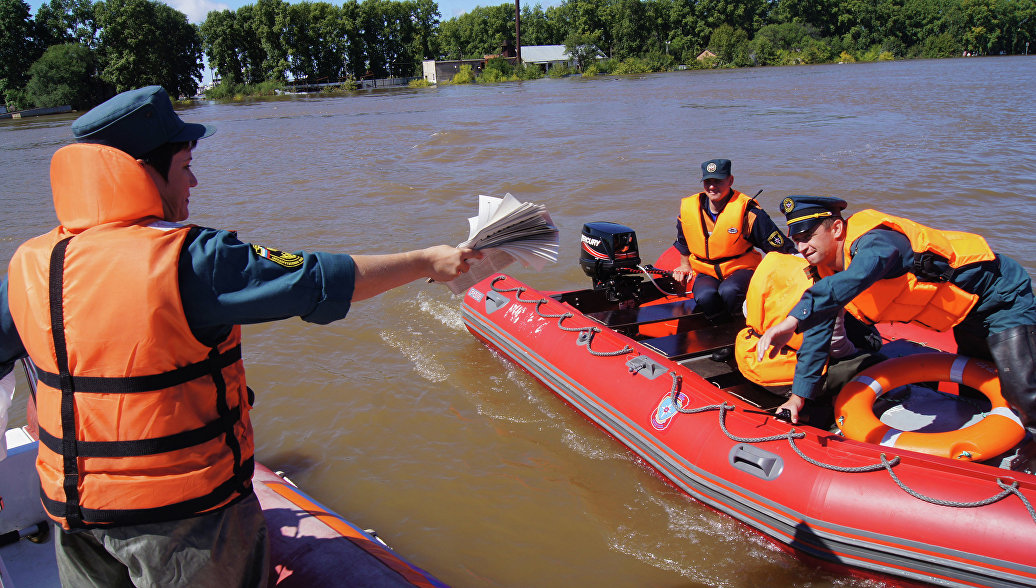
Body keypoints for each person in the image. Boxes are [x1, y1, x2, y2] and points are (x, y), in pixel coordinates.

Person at [0, 85, 482, 587]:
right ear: (143, 172)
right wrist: (428, 261)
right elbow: (322, 280)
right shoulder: (190, 259)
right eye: (185, 165)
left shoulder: (31, 265)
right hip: (184, 523)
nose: (194, 180)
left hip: (73, 521)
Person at [755, 195, 1036, 472]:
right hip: (964, 313)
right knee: (976, 395)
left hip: (1000, 299)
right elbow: (818, 334)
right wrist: (798, 397)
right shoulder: (826, 271)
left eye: (807, 235)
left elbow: (858, 275)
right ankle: (989, 453)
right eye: (796, 240)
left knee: (1024, 391)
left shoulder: (877, 242)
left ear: (837, 229)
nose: (802, 246)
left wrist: (794, 318)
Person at [734, 252, 885, 427]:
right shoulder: (827, 284)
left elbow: (747, 310)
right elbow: (835, 346)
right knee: (875, 360)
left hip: (751, 357)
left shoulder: (774, 262)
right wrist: (854, 355)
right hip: (786, 374)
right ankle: (826, 413)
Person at [671, 159, 795, 331]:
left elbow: (779, 247)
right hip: (706, 270)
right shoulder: (689, 209)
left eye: (718, 181)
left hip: (740, 268)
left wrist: (795, 271)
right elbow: (683, 240)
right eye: (708, 182)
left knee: (729, 291)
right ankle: (722, 330)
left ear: (730, 181)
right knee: (705, 296)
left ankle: (739, 329)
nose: (712, 187)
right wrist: (684, 265)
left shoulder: (748, 212)